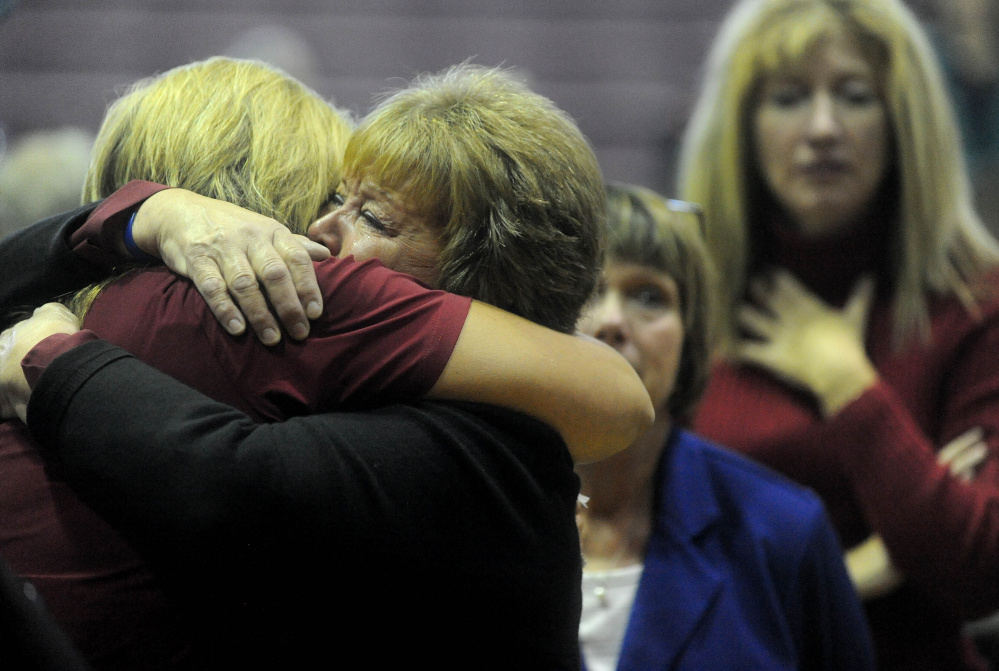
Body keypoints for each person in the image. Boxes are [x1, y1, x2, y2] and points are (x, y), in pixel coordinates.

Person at [0, 64, 624, 669]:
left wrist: (48, 356)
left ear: (483, 285)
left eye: (372, 217)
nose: (319, 233)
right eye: (332, 197)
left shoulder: (479, 451)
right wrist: (155, 214)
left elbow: (228, 482)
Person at [678, 1, 999, 668]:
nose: (822, 128)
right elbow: (651, 571)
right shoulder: (681, 303)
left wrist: (845, 381)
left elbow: (976, 571)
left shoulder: (974, 303)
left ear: (903, 121)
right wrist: (864, 568)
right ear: (741, 126)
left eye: (854, 96)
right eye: (789, 98)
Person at [575, 183, 874, 671]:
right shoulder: (468, 523)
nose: (612, 321)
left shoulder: (783, 530)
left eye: (649, 296)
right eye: (585, 291)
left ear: (692, 338)